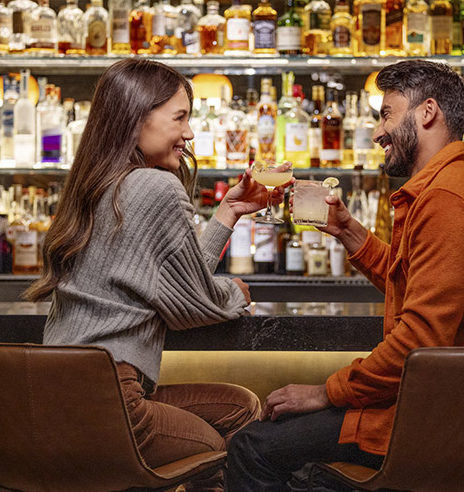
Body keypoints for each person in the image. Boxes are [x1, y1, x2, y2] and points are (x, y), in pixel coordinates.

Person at [226, 59, 464, 490]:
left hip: (454, 422)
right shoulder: (453, 185)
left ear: (427, 112)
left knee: (252, 446)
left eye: (386, 113)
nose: (376, 133)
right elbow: (414, 285)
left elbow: (419, 340)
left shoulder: (446, 198)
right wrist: (347, 230)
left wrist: (326, 392)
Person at [26, 58, 289, 491]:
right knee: (225, 451)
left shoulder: (97, 183)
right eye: (180, 118)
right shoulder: (154, 185)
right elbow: (195, 306)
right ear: (136, 118)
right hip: (112, 401)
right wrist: (236, 293)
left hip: (53, 396)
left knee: (238, 405)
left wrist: (229, 211)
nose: (189, 133)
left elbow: (175, 280)